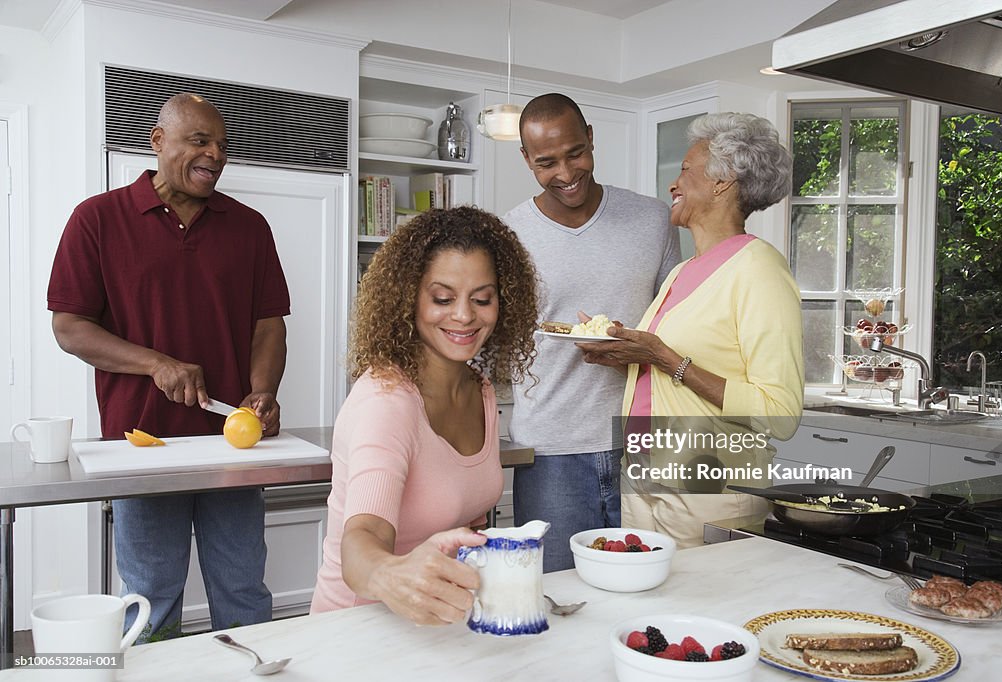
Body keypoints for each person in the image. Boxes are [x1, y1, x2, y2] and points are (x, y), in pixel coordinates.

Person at [47, 93, 289, 640]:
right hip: (140, 446)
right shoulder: (97, 219)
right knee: (152, 600)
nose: (215, 155)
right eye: (199, 141)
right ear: (157, 142)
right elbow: (70, 327)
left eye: (222, 146)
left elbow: (268, 326)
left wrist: (262, 391)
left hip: (234, 447)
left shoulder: (249, 226)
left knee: (243, 593)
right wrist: (156, 364)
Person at [578, 112, 804, 547]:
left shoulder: (760, 270)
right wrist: (621, 350)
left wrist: (665, 358)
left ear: (723, 181)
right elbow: (664, 370)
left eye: (685, 169)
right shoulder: (683, 270)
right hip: (648, 475)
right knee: (645, 608)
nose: (673, 184)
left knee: (699, 609)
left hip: (710, 489)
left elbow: (780, 411)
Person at [310, 206, 539, 625]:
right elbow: (361, 541)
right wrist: (387, 572)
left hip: (435, 622)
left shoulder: (480, 390)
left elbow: (459, 520)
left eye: (482, 299)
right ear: (408, 296)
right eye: (443, 298)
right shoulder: (387, 401)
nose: (465, 315)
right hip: (357, 631)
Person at [504, 93, 681, 572]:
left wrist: (641, 348)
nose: (565, 172)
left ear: (591, 139)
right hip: (550, 450)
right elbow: (495, 343)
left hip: (645, 440)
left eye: (575, 153)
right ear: (526, 160)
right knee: (558, 593)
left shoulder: (653, 219)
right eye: (546, 162)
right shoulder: (508, 235)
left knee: (652, 585)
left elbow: (677, 324)